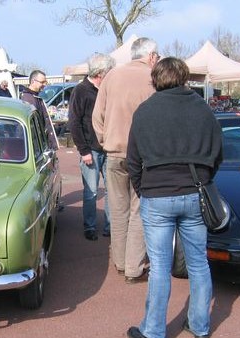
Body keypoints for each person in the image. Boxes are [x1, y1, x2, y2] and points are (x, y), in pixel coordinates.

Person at [126, 57, 222, 338]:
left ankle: (154, 330)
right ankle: (200, 324)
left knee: (159, 266)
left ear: (156, 78)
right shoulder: (204, 110)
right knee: (198, 263)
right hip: (195, 192)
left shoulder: (145, 111)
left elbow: (133, 160)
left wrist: (143, 189)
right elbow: (218, 154)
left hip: (157, 195)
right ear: (184, 78)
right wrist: (204, 180)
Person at [92, 37, 159, 283]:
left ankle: (120, 263)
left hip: (114, 153)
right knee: (139, 211)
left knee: (118, 210)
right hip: (143, 157)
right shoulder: (154, 79)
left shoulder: (111, 76)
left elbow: (97, 115)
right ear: (151, 56)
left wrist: (105, 140)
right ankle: (133, 267)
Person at [69, 53, 115, 241]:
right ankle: (90, 226)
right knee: (91, 191)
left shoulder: (108, 89)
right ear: (100, 73)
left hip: (109, 147)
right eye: (108, 71)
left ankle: (111, 226)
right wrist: (84, 151)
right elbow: (74, 122)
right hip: (91, 150)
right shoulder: (80, 91)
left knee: (112, 191)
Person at [20, 70, 59, 150]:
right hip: (36, 146)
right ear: (33, 81)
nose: (44, 85)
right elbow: (33, 125)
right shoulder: (28, 99)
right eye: (42, 82)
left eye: (45, 82)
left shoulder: (35, 97)